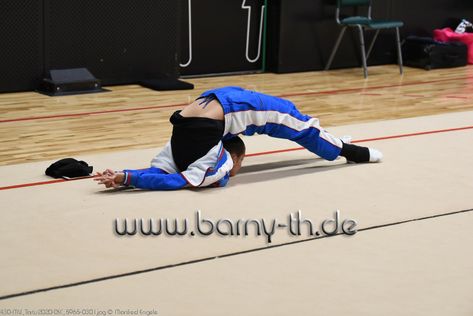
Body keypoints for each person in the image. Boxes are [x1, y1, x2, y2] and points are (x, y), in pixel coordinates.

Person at [95, 86, 382, 190]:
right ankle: (344, 147)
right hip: (217, 107)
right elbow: (170, 177)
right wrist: (127, 177)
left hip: (225, 107)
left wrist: (126, 176)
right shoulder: (205, 155)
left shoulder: (196, 151)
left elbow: (167, 175)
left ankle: (343, 146)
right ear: (231, 153)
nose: (233, 172)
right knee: (305, 129)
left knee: (305, 128)